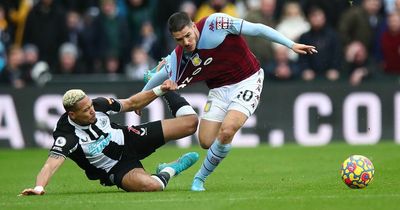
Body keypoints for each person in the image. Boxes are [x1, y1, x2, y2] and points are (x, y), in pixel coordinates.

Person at [141, 12, 317, 191]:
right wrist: (141, 98)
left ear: (194, 26)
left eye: (188, 35)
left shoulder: (215, 24)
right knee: (206, 141)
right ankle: (174, 166)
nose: (186, 42)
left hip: (247, 80)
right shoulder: (178, 58)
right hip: (218, 90)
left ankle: (199, 179)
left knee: (227, 131)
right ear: (173, 38)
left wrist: (291, 44)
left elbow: (256, 29)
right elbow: (157, 77)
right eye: (179, 39)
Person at [20, 79, 200, 195]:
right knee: (154, 186)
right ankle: (170, 169)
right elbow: (50, 165)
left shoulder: (98, 105)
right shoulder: (67, 135)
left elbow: (131, 103)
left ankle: (171, 93)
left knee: (190, 123)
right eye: (85, 110)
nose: (92, 111)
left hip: (130, 138)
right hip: (116, 168)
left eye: (90, 106)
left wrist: (161, 89)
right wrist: (38, 187)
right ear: (72, 115)